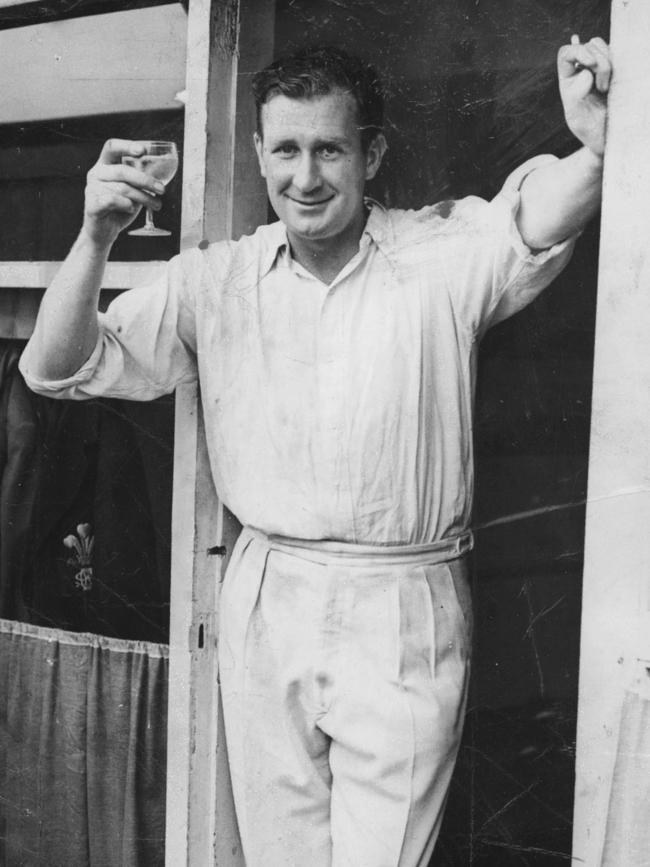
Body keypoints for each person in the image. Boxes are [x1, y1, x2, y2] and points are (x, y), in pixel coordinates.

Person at [19, 36, 611, 867]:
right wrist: (95, 237)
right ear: (258, 152)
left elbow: (536, 213)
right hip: (269, 595)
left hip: (402, 602)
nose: (305, 177)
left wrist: (597, 143)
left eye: (329, 148)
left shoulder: (438, 255)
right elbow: (55, 368)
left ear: (371, 153)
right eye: (287, 149)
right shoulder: (215, 280)